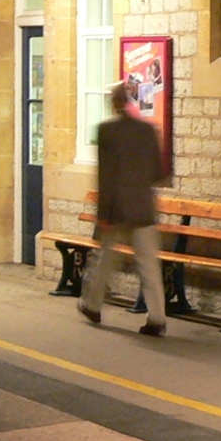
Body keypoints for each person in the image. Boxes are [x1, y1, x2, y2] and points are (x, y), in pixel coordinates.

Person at [78, 81, 167, 336]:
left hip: (117, 209)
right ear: (129, 101)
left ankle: (93, 305)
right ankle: (157, 318)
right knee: (149, 265)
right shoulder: (148, 131)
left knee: (104, 259)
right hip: (143, 208)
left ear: (114, 102)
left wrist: (103, 214)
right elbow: (158, 173)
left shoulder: (106, 131)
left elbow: (105, 176)